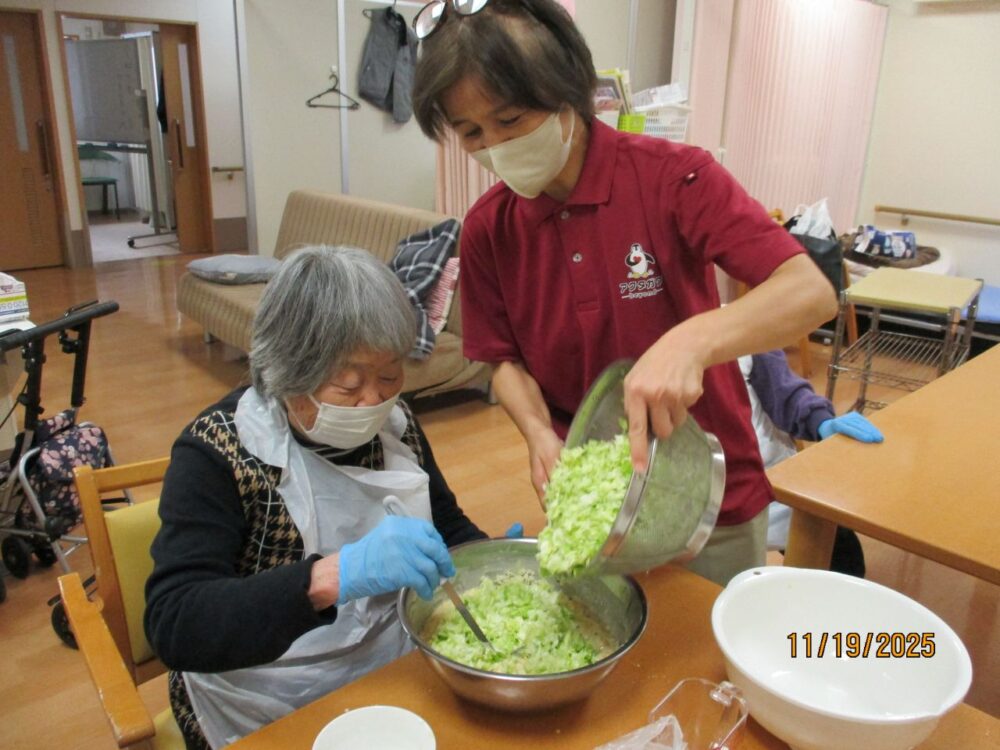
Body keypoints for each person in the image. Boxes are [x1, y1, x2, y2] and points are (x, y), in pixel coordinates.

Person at [411, 0, 838, 585]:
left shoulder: (674, 176)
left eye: (510, 121)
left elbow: (810, 293)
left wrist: (691, 343)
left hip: (711, 485)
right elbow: (499, 358)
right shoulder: (488, 227)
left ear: (566, 92)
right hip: (595, 494)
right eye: (471, 133)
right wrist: (537, 433)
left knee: (713, 659)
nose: (494, 147)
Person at [144, 246, 486, 749]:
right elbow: (175, 622)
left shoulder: (396, 425)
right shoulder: (217, 451)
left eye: (389, 376)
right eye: (348, 382)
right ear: (287, 371)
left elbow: (448, 527)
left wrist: (489, 561)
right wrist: (330, 576)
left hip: (386, 673)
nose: (374, 400)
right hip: (260, 698)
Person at [739, 350, 883, 576]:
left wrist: (820, 421)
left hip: (772, 479)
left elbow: (784, 389)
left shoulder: (740, 323)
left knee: (840, 550)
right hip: (697, 496)